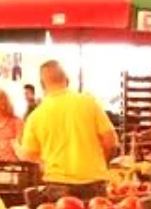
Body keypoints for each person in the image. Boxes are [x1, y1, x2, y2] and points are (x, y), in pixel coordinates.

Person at [19, 60, 116, 201]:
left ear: (42, 85)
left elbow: (28, 154)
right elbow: (111, 141)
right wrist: (101, 162)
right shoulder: (88, 102)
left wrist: (44, 162)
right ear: (67, 80)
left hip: (57, 185)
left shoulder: (36, 116)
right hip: (94, 182)